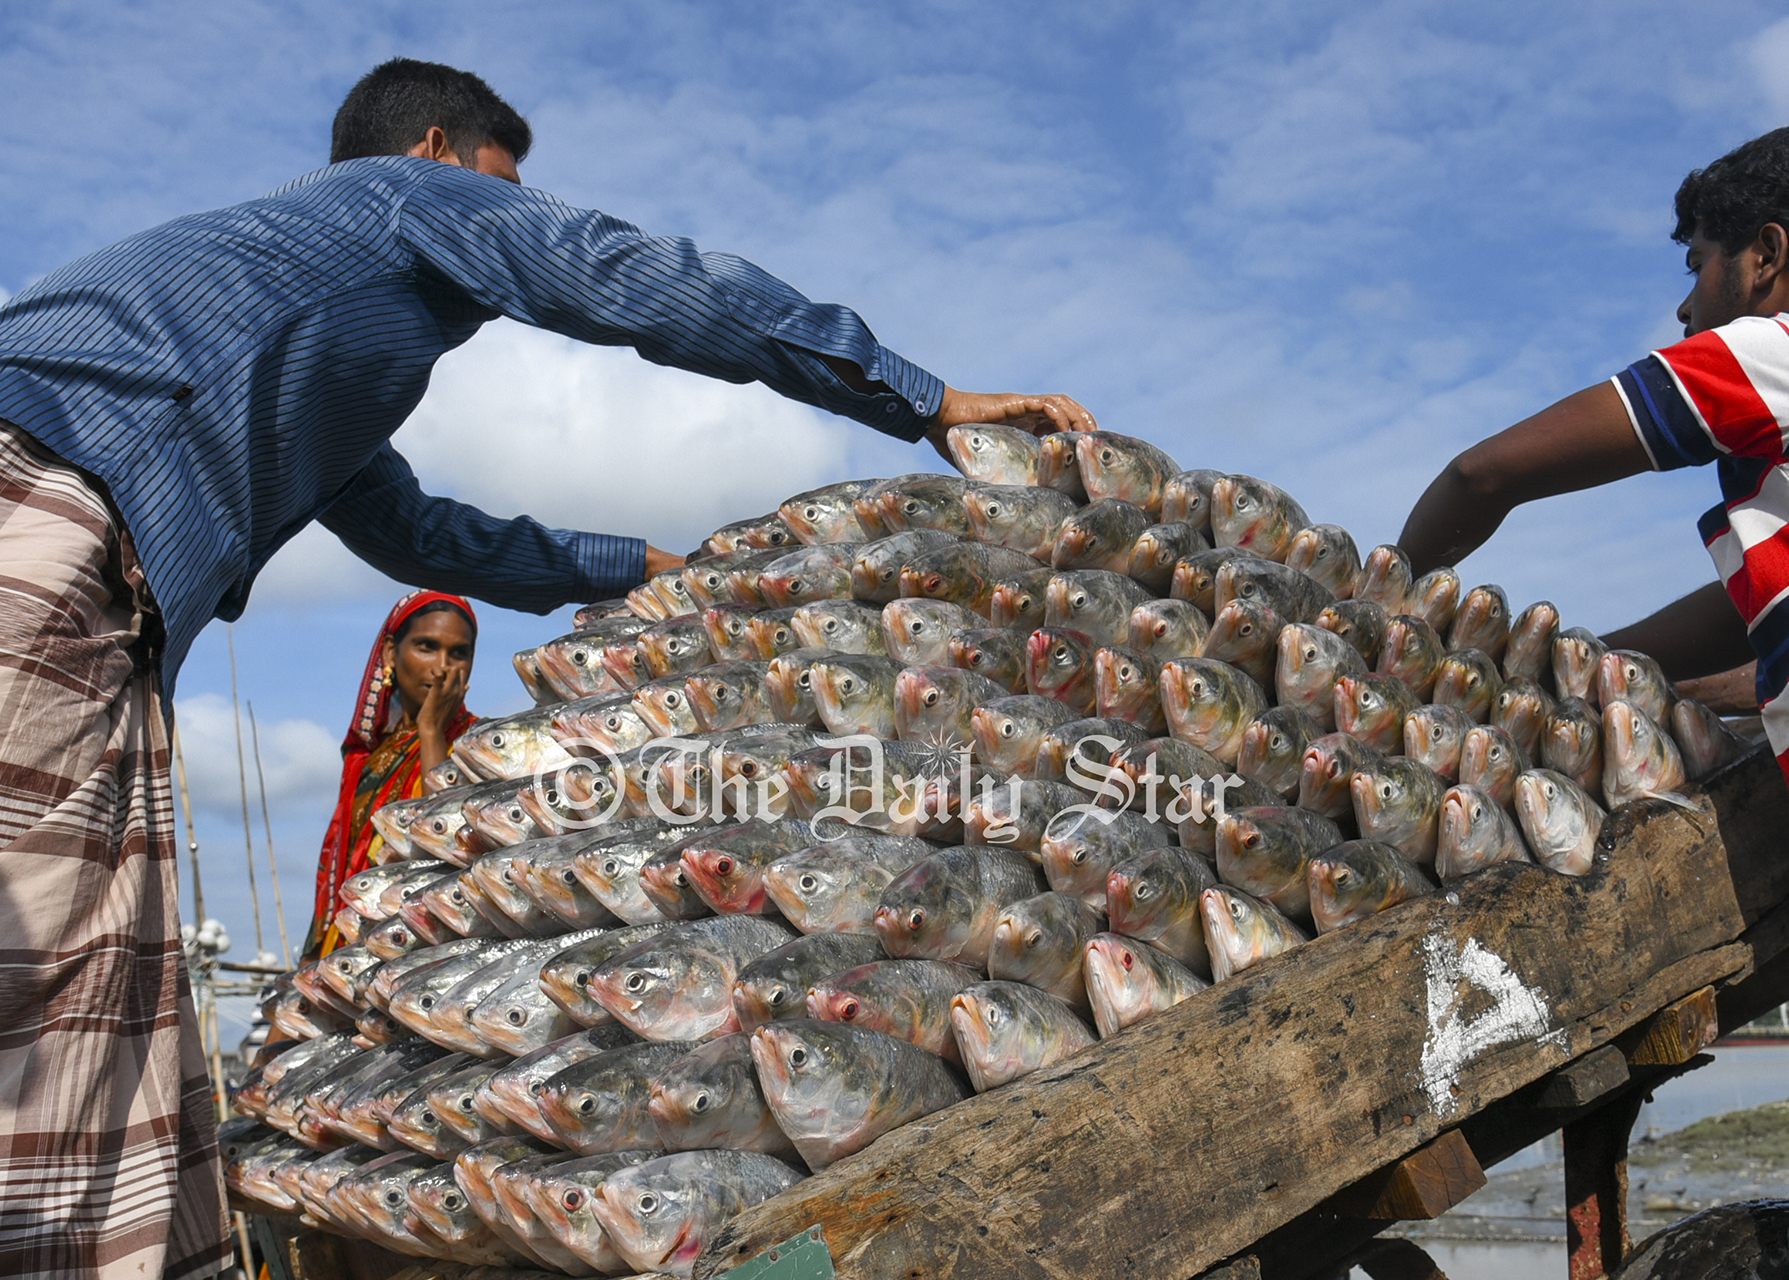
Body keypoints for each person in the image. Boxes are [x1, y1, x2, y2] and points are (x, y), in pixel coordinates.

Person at [0, 58, 1095, 1280]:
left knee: (79, 1021)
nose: (508, 221)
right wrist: (924, 398)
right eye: (505, 189)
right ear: (436, 150)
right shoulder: (398, 199)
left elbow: (426, 537)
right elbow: (629, 276)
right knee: (53, 1030)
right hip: (39, 532)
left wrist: (646, 565)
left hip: (53, 536)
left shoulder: (298, 330)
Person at [1396, 124, 1789, 1278]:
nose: (1687, 308)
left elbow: (1491, 472)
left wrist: (1391, 609)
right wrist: (1580, 666)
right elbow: (1768, 621)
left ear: (1764, 258)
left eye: (1697, 265)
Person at [304, 592, 477, 961]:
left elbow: (444, 840)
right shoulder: (371, 756)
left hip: (421, 951)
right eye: (427, 647)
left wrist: (431, 732)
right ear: (389, 655)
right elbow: (341, 862)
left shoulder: (479, 746)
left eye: (458, 653)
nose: (442, 666)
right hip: (351, 944)